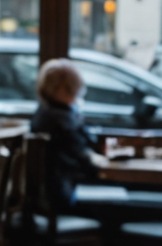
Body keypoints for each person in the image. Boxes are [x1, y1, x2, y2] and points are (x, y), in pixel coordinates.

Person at [30, 58, 107, 210]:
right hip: (63, 192)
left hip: (53, 190)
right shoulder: (61, 119)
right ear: (64, 88)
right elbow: (82, 154)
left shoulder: (45, 112)